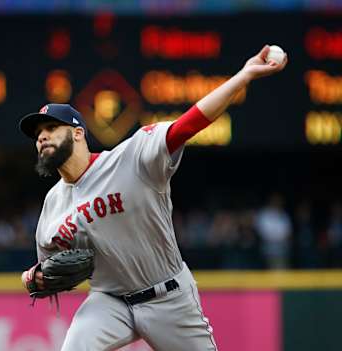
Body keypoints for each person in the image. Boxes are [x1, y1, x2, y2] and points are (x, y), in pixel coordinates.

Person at [19, 45, 287, 351]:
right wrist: (32, 278)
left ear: (78, 133)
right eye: (37, 134)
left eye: (51, 127)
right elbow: (48, 270)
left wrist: (244, 75)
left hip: (169, 296)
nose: (41, 137)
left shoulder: (132, 158)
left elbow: (190, 122)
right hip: (109, 301)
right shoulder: (52, 205)